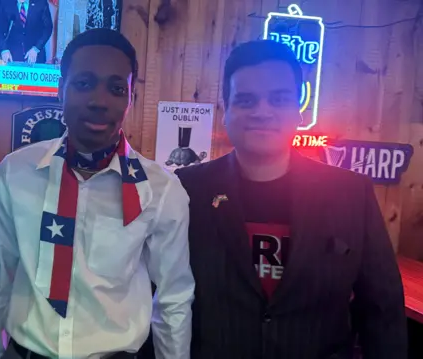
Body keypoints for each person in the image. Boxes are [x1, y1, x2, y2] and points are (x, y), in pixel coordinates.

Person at [175, 40, 408, 359]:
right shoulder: (185, 190)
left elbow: (382, 309)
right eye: (246, 100)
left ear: (298, 110)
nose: (262, 111)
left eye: (279, 99)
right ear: (226, 110)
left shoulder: (352, 193)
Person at [0, 28, 194, 359]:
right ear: (59, 89)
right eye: (83, 83)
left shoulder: (161, 190)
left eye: (116, 88)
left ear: (130, 99)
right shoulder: (15, 172)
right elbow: (1, 277)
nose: (99, 101)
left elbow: (173, 299)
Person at [0, 0, 53, 64]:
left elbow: (48, 28)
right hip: (11, 56)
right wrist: (4, 49)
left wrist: (36, 48)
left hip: (35, 55)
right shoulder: (6, 3)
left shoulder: (41, 2)